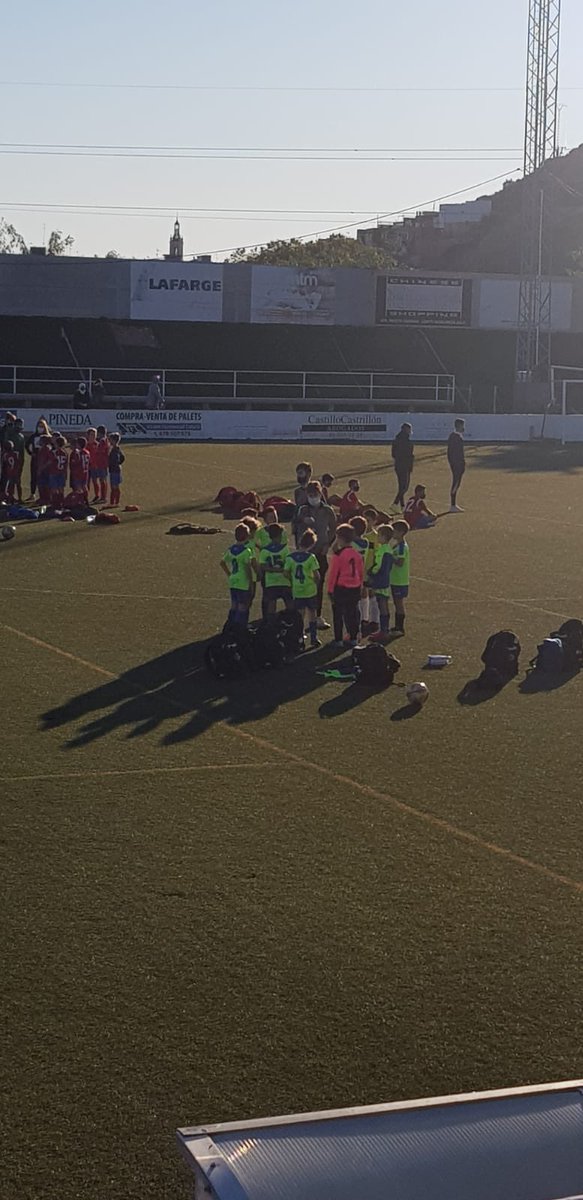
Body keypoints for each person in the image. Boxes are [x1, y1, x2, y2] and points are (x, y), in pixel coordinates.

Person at [295, 481, 337, 630]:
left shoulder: (327, 510)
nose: (313, 497)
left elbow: (333, 528)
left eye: (315, 494)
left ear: (320, 494)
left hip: (320, 552)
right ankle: (300, 620)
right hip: (305, 553)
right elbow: (295, 526)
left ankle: (317, 616)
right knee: (302, 585)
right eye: (310, 494)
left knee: (318, 584)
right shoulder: (303, 509)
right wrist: (302, 520)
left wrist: (327, 544)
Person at [327, 523, 364, 648]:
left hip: (341, 588)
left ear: (340, 538)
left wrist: (330, 590)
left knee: (338, 614)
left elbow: (333, 574)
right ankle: (353, 637)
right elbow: (360, 572)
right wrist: (360, 585)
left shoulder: (338, 555)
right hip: (355, 587)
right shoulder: (356, 554)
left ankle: (338, 639)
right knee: (352, 613)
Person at [285, 529, 322, 649]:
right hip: (310, 590)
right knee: (312, 614)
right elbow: (317, 575)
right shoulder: (311, 557)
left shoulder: (290, 557)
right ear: (312, 544)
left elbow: (286, 572)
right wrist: (316, 584)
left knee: (300, 615)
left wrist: (292, 581)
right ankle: (314, 638)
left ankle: (300, 637)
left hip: (297, 590)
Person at [220, 523, 257, 627]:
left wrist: (229, 574)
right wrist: (251, 583)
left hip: (233, 581)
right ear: (247, 536)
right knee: (242, 606)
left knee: (234, 605)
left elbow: (222, 563)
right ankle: (240, 627)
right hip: (243, 582)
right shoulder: (246, 551)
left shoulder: (231, 550)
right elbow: (247, 569)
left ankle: (229, 625)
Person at [366, 524, 394, 641]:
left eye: (379, 535)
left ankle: (384, 631)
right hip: (384, 579)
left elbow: (379, 565)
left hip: (380, 580)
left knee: (382, 604)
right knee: (383, 603)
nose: (377, 538)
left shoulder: (383, 550)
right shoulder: (388, 549)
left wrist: (371, 573)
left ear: (383, 536)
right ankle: (384, 630)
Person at [258, 523, 293, 616]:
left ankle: (271, 622)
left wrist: (272, 570)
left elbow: (263, 566)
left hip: (271, 582)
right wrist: (281, 570)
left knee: (271, 605)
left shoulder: (265, 550)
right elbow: (288, 565)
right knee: (290, 604)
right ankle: (290, 621)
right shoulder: (284, 549)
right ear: (280, 535)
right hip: (284, 581)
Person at [389, 518, 410, 636]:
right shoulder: (397, 545)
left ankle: (400, 628)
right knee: (396, 603)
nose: (392, 534)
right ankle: (397, 626)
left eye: (394, 531)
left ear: (401, 532)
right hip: (395, 579)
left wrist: (389, 556)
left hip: (400, 580)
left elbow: (400, 562)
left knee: (399, 603)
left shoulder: (402, 547)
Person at [25, 417, 51, 498]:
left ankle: (45, 495)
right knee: (34, 476)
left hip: (45, 460)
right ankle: (32, 493)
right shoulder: (33, 436)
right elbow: (27, 445)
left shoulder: (48, 437)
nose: (40, 428)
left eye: (42, 426)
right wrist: (31, 453)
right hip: (35, 458)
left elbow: (53, 447)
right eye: (39, 426)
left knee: (44, 477)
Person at [391, 422, 414, 509]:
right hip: (405, 466)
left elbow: (393, 454)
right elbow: (409, 455)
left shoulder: (396, 440)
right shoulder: (407, 442)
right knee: (404, 487)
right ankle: (395, 503)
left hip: (398, 465)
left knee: (401, 486)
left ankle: (402, 506)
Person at [447, 418, 466, 512]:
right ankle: (452, 505)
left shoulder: (455, 436)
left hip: (457, 463)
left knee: (457, 483)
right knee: (456, 483)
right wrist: (456, 463)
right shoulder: (455, 437)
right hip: (457, 464)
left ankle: (453, 504)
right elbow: (453, 452)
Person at [50, 435, 68, 507]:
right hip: (62, 472)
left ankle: (55, 502)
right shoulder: (65, 453)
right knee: (61, 488)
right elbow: (66, 464)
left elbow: (51, 462)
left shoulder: (54, 452)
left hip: (54, 472)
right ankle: (61, 502)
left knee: (54, 488)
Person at [10, 417, 25, 502]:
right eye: (18, 424)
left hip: (19, 460)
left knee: (18, 479)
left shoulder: (21, 436)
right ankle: (10, 496)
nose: (19, 426)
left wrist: (22, 461)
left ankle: (19, 498)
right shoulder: (10, 434)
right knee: (10, 479)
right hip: (11, 459)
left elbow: (22, 450)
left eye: (20, 424)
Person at [108, 434, 125, 507]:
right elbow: (123, 457)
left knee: (114, 487)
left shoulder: (115, 450)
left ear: (114, 440)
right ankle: (114, 502)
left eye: (110, 440)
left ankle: (114, 502)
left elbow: (119, 458)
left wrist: (113, 464)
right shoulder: (116, 449)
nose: (109, 441)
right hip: (115, 469)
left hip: (114, 470)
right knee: (114, 486)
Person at [94, 425, 110, 504]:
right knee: (103, 480)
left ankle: (103, 497)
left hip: (101, 463)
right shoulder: (106, 440)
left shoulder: (102, 441)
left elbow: (100, 451)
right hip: (104, 462)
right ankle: (103, 496)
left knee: (102, 480)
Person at [36, 435, 53, 504]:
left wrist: (42, 468)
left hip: (45, 470)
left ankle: (46, 498)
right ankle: (43, 498)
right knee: (41, 484)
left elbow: (48, 460)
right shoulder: (43, 448)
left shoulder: (46, 449)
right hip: (42, 468)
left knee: (44, 485)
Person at [86, 428, 100, 504]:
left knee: (95, 481)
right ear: (88, 435)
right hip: (87, 466)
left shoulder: (97, 445)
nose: (93, 436)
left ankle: (97, 495)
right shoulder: (85, 445)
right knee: (86, 482)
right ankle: (85, 496)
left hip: (95, 466)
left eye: (95, 435)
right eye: (91, 434)